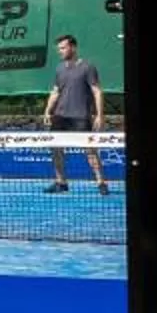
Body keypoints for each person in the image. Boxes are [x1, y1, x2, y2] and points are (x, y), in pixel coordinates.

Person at [41, 34, 108, 195]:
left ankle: (101, 183)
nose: (61, 51)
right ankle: (61, 182)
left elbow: (96, 91)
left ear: (73, 47)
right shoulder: (59, 68)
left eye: (63, 48)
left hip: (80, 116)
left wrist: (99, 115)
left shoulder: (87, 67)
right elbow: (56, 91)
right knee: (56, 149)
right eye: (59, 49)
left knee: (90, 150)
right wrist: (47, 111)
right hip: (60, 116)